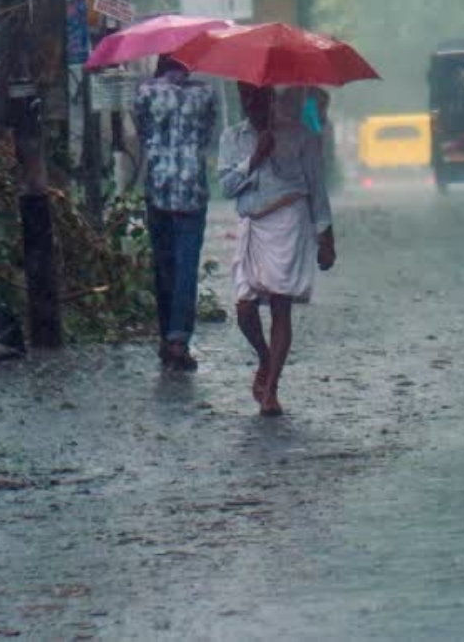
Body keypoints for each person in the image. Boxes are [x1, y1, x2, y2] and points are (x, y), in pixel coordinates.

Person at [218, 82, 336, 416]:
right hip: (252, 224)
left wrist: (325, 236)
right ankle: (265, 359)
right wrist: (254, 159)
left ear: (270, 96)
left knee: (281, 306)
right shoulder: (232, 138)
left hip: (289, 221)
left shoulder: (300, 135)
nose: (251, 103)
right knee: (244, 308)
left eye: (257, 95)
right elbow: (226, 187)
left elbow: (316, 186)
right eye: (245, 96)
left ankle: (271, 389)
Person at [131, 57, 219, 372]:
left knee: (163, 264)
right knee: (186, 266)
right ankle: (178, 340)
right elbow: (207, 135)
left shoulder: (143, 92)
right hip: (192, 189)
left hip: (158, 186)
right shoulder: (206, 93)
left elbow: (142, 133)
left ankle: (165, 334)